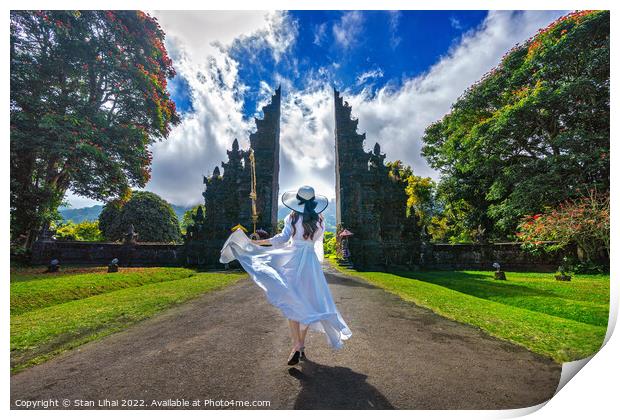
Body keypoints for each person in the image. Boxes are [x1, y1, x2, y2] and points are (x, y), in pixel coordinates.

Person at [220, 185, 352, 365]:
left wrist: (257, 243)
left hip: (293, 260)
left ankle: (296, 345)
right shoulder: (320, 220)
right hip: (310, 264)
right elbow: (316, 243)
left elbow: (282, 239)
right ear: (314, 203)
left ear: (297, 201)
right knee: (308, 303)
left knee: (292, 301)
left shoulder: (292, 217)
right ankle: (301, 345)